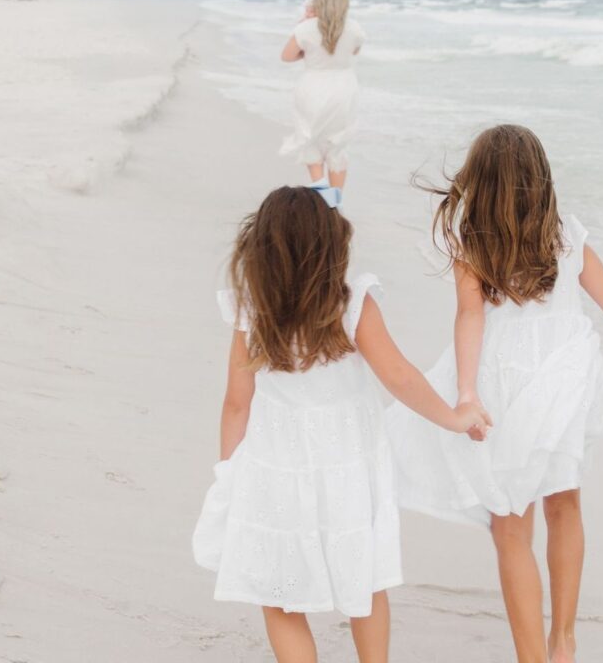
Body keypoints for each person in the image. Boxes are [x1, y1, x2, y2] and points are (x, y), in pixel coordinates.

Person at [385, 124, 603, 663]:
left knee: (510, 523)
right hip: (565, 381)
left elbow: (469, 318)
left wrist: (467, 392)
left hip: (504, 382)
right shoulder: (567, 237)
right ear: (541, 180)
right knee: (565, 504)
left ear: (480, 184)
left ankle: (534, 656)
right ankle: (564, 640)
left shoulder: (475, 244)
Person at [192, 183, 491, 663]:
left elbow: (236, 402)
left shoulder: (253, 307)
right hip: (348, 467)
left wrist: (229, 471)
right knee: (366, 581)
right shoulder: (350, 302)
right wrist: (454, 418)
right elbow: (399, 377)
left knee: (280, 591)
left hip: (275, 469)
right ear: (330, 243)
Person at [280, 0, 364, 189]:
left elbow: (287, 56)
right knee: (337, 148)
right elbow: (354, 51)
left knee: (312, 146)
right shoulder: (354, 28)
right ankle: (336, 207)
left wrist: (304, 22)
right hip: (344, 89)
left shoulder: (306, 28)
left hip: (313, 87)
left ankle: (323, 203)